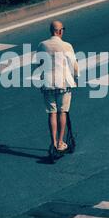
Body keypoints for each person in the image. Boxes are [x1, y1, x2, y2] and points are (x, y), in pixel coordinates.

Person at [36, 20, 79, 152]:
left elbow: (38, 65)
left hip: (48, 84)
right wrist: (75, 77)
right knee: (63, 111)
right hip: (63, 83)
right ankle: (60, 142)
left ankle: (53, 142)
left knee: (52, 113)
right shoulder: (67, 46)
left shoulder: (42, 45)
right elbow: (74, 65)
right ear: (60, 31)